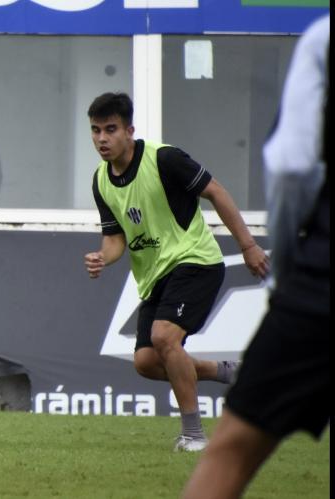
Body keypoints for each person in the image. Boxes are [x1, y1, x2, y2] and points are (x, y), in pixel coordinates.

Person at [183, 14, 329, 498]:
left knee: (232, 450)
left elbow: (291, 166)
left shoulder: (323, 38)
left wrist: (288, 267)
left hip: (320, 277)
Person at [83, 92, 270, 452]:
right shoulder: (101, 181)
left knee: (165, 338)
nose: (102, 139)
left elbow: (217, 192)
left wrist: (247, 245)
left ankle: (194, 435)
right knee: (146, 361)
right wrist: (102, 258)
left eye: (110, 130)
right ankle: (227, 372)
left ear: (129, 130)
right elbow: (115, 238)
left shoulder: (164, 158)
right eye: (95, 131)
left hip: (195, 261)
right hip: (156, 277)